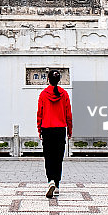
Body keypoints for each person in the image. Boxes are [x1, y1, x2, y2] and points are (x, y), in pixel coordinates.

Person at [37, 69, 72, 198]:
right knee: (58, 158)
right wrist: (70, 130)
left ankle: (50, 180)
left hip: (47, 129)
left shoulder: (43, 94)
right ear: (59, 80)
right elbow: (68, 114)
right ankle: (57, 184)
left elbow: (39, 113)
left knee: (49, 157)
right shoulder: (64, 94)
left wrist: (39, 129)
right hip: (60, 129)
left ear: (48, 79)